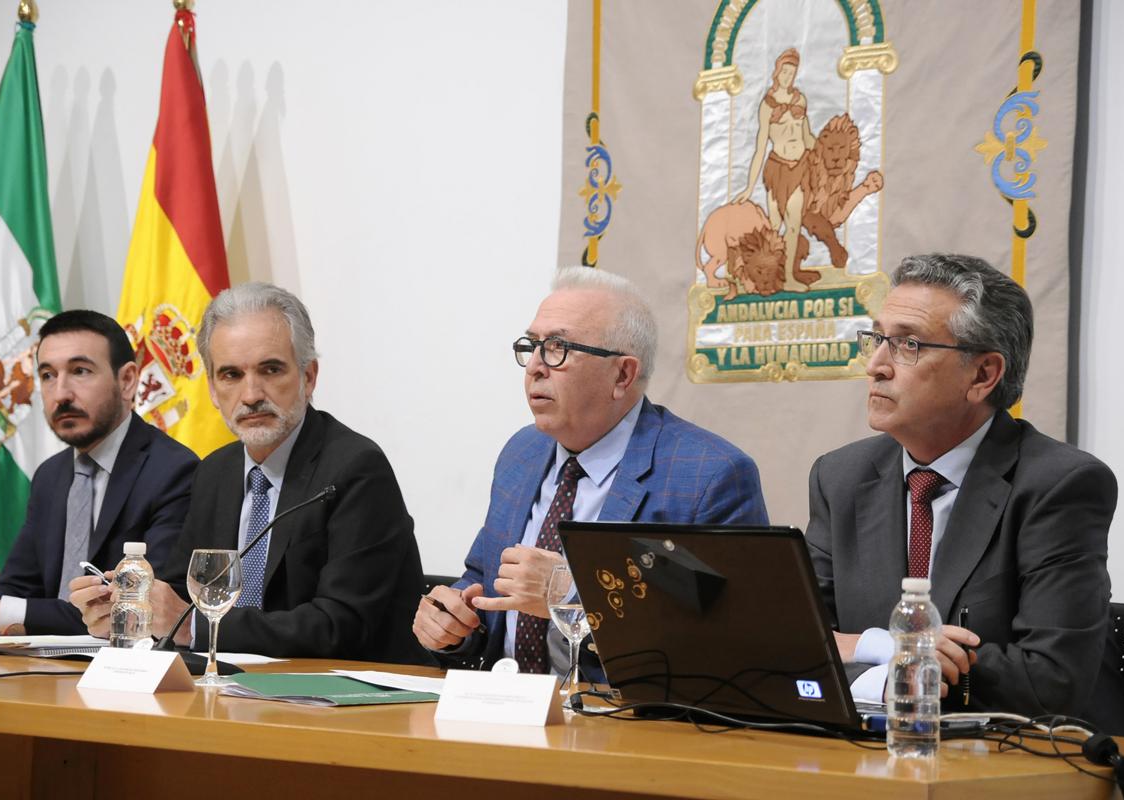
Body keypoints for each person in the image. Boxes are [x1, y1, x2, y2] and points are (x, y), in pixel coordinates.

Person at [413, 267, 768, 678]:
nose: (535, 367)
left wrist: (571, 593)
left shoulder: (709, 476)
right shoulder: (522, 453)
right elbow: (485, 578)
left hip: (626, 721)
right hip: (503, 706)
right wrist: (452, 619)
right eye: (533, 346)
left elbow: (724, 635)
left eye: (559, 347)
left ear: (623, 375)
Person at [806, 253, 1116, 717]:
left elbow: (1051, 679)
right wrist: (890, 656)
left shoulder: (1058, 485)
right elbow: (794, 647)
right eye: (877, 339)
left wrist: (888, 667)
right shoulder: (840, 477)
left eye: (908, 345)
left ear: (983, 375)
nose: (875, 366)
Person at [69, 283, 428, 663]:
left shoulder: (354, 468)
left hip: (347, 700)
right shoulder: (215, 472)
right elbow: (179, 591)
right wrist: (128, 606)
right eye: (231, 375)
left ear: (308, 377)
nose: (252, 393)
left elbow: (340, 625)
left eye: (270, 369)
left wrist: (195, 627)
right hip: (234, 687)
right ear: (211, 388)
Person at [0, 310, 198, 635]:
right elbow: (14, 590)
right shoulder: (50, 475)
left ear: (128, 380)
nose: (60, 394)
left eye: (80, 371)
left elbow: (144, 609)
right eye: (47, 375)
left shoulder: (174, 470)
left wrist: (1, 611)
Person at [734, 48, 821, 290]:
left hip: (799, 167)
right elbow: (760, 146)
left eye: (792, 72)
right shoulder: (768, 105)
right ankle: (755, 271)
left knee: (793, 224)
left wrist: (824, 152)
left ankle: (790, 277)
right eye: (784, 71)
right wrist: (750, 187)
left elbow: (807, 136)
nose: (788, 76)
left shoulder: (800, 100)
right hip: (777, 169)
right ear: (777, 72)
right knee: (773, 226)